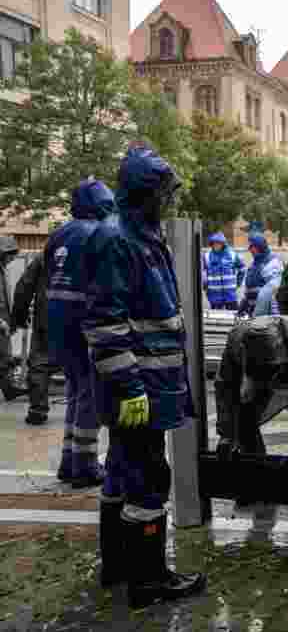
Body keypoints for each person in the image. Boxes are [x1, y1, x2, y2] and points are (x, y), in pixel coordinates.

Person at [82, 143, 205, 607]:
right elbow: (105, 323)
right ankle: (149, 581)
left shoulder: (141, 235)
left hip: (148, 383)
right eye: (164, 194)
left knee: (123, 469)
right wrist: (130, 387)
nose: (168, 202)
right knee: (149, 476)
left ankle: (119, 567)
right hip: (140, 387)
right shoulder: (119, 239)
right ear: (144, 193)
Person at [45, 178, 115, 488]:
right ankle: (84, 465)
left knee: (76, 389)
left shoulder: (59, 234)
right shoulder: (99, 234)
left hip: (58, 321)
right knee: (91, 392)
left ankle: (69, 460)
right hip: (85, 321)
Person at [213, 315, 288, 470]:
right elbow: (225, 387)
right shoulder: (235, 343)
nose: (266, 381)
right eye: (259, 373)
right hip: (275, 366)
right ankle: (257, 469)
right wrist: (226, 435)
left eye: (268, 372)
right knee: (245, 420)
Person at [11, 249, 62, 426]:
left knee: (40, 364)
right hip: (80, 319)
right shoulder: (89, 251)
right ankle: (86, 412)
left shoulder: (44, 257)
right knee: (83, 364)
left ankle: (37, 410)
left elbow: (24, 287)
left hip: (47, 318)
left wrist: (19, 316)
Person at [0, 236, 28, 402]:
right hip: (1, 321)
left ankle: (9, 388)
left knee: (4, 356)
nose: (12, 259)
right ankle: (9, 388)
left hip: (4, 320)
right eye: (10, 255)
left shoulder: (3, 270)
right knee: (4, 356)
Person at [238, 233, 283, 318]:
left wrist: (275, 317)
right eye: (249, 247)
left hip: (266, 315)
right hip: (254, 312)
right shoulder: (254, 263)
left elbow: (273, 292)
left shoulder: (271, 262)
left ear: (260, 246)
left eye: (252, 246)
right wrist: (244, 304)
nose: (250, 249)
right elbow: (250, 287)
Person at [202, 232, 245, 310]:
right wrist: (205, 287)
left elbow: (242, 269)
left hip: (230, 295)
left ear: (223, 244)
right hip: (214, 295)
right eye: (214, 243)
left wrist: (238, 284)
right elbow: (203, 274)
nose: (216, 245)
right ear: (211, 244)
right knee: (216, 316)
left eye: (218, 243)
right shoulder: (206, 256)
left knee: (233, 315)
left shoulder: (232, 255)